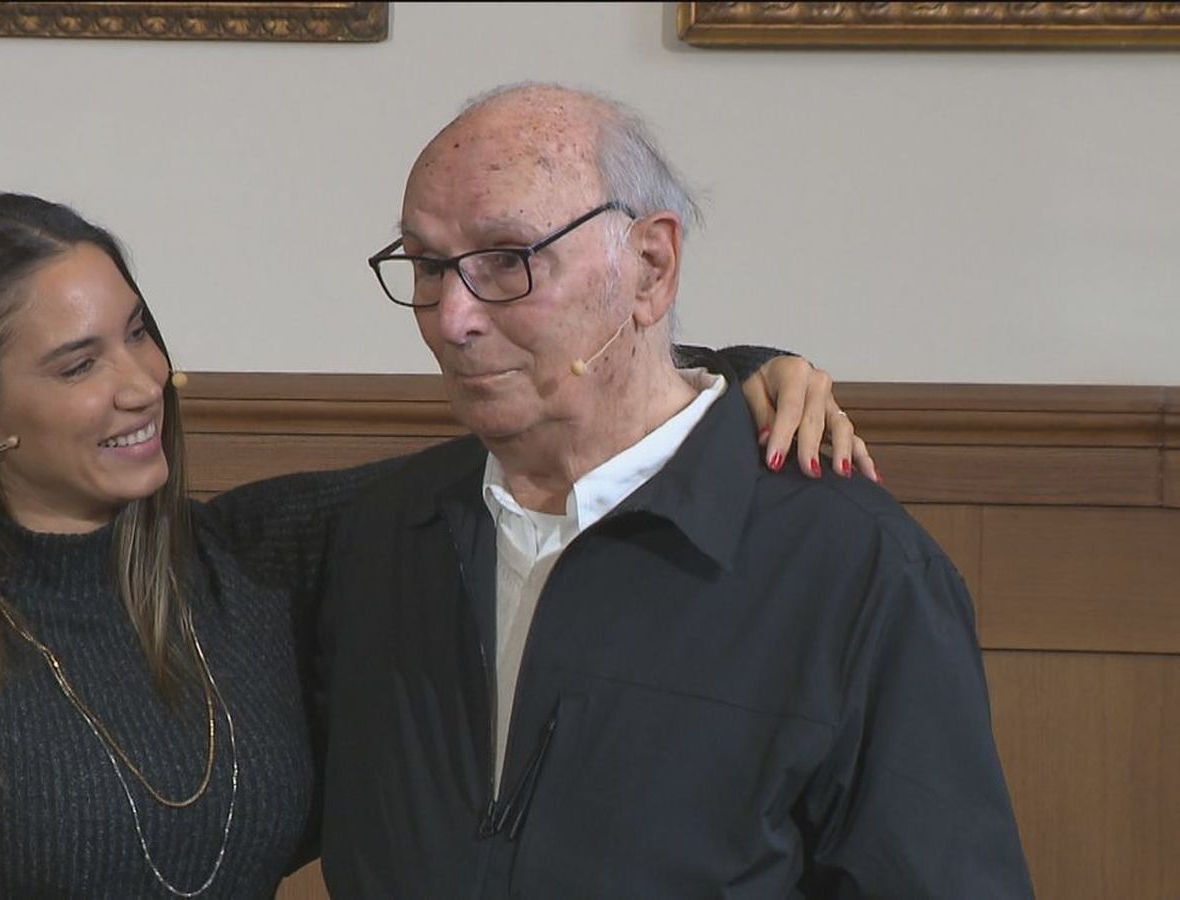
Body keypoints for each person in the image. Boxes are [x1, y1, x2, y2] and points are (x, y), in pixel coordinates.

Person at [0, 191, 868, 897]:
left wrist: (729, 374)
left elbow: (542, 442)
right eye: (78, 362)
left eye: (138, 333)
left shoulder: (255, 555)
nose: (142, 383)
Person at [316, 83, 1033, 897]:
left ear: (651, 268)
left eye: (508, 260)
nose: (452, 319)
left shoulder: (857, 566)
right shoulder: (379, 534)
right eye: (428, 265)